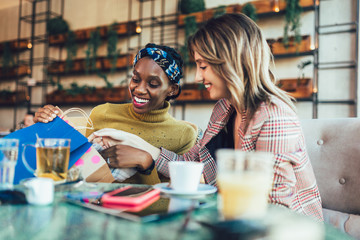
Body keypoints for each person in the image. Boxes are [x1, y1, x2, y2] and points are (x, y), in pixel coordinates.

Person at [92, 13, 324, 221]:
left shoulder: (273, 116)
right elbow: (192, 165)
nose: (197, 76)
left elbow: (274, 208)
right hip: (234, 219)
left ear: (230, 62)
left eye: (203, 66)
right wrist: (147, 157)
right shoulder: (224, 109)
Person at [34, 43, 198, 184]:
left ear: (172, 89)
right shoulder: (103, 113)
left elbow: (173, 199)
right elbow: (84, 172)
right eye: (135, 79)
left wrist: (145, 162)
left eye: (153, 84)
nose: (139, 89)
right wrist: (46, 125)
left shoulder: (184, 135)